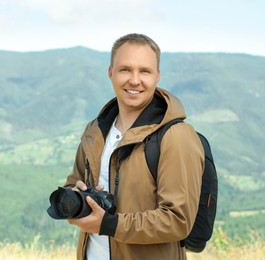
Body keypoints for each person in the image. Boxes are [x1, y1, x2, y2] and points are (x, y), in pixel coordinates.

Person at [64, 33, 204, 259]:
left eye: (145, 71)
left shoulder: (175, 137)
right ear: (110, 72)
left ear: (157, 76)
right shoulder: (95, 131)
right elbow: (74, 181)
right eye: (125, 69)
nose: (134, 80)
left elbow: (178, 221)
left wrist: (110, 224)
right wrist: (74, 197)